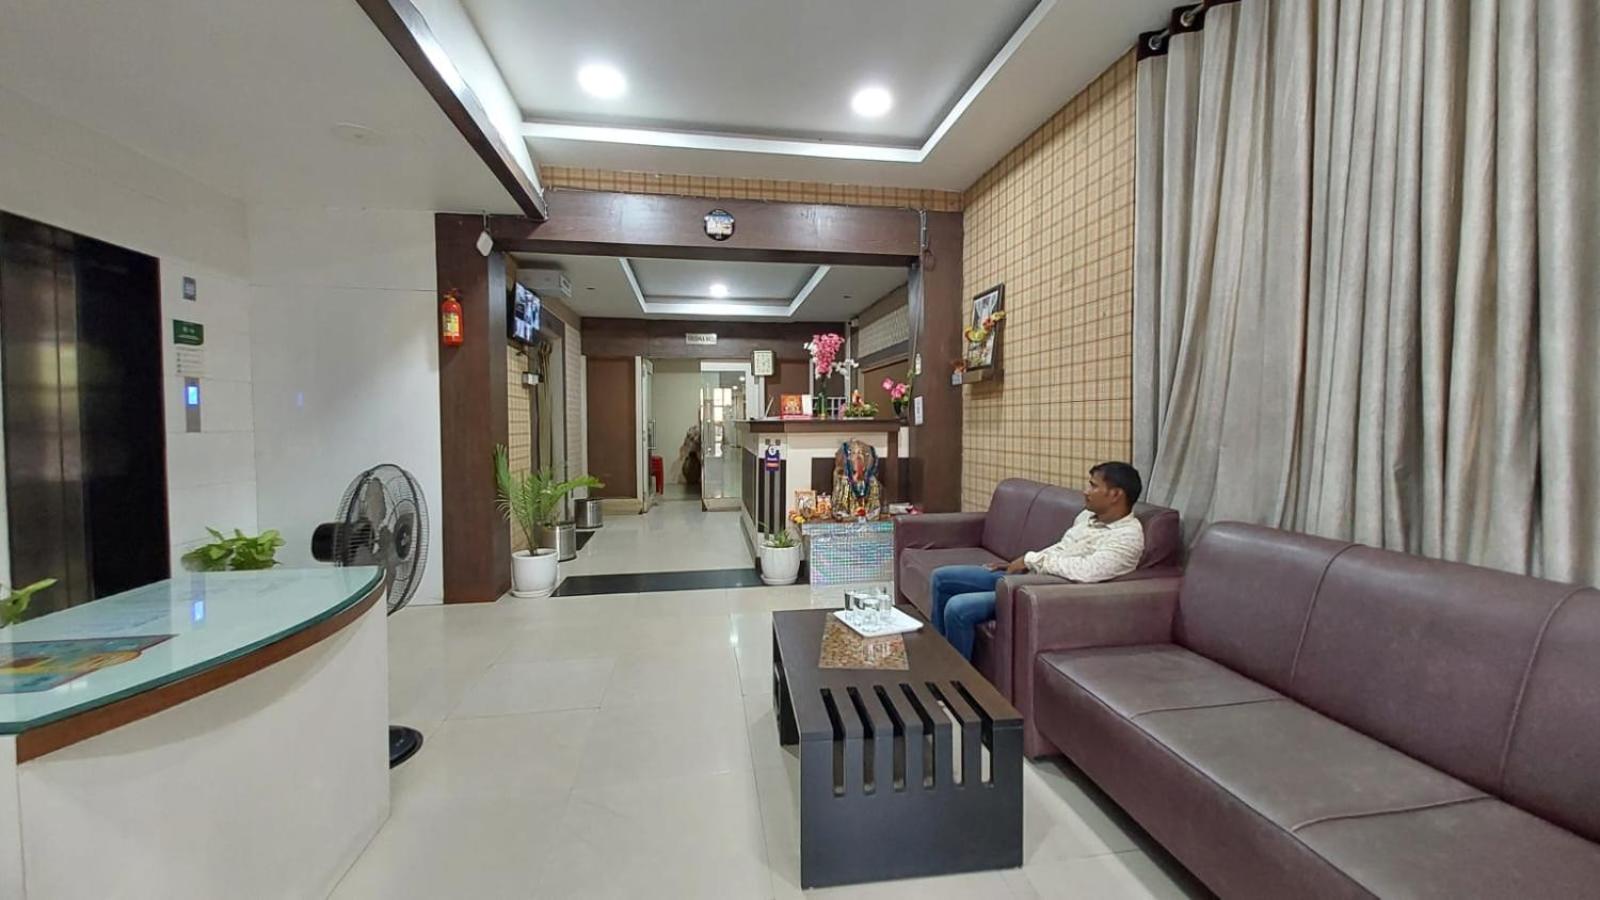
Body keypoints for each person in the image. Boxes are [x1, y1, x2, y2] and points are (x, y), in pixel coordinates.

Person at [928, 462, 1147, 661]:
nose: (1085, 491)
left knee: (958, 607)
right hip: (1031, 575)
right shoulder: (1086, 517)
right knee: (941, 578)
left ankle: (955, 679)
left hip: (1046, 592)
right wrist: (1022, 562)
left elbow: (1088, 571)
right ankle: (937, 657)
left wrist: (1032, 560)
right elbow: (1061, 549)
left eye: (1093, 486)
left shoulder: (1127, 536)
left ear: (1115, 494)